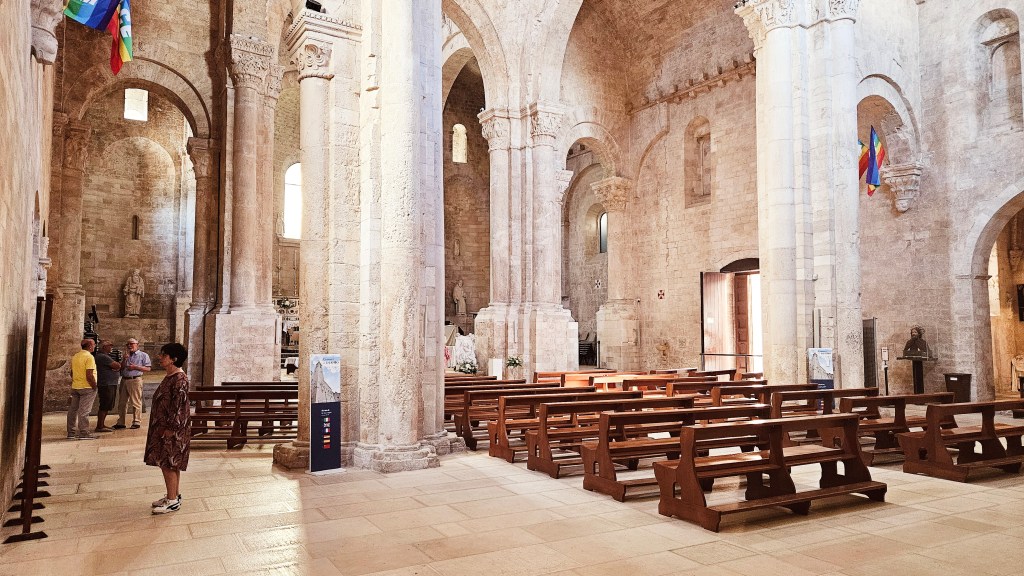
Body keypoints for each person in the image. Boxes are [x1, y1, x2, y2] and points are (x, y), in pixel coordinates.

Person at [145, 342, 190, 514]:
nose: (160, 357)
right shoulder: (171, 376)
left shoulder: (179, 379)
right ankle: (174, 496)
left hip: (172, 430)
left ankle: (171, 501)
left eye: (164, 355)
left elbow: (178, 407)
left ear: (174, 359)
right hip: (164, 428)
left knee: (168, 463)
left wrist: (170, 429)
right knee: (171, 463)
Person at [114, 337, 151, 430]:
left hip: (135, 380)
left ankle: (136, 421)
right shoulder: (125, 355)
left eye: (132, 344)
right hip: (124, 380)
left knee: (135, 402)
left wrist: (136, 367)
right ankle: (121, 422)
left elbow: (148, 368)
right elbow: (121, 368)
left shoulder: (143, 355)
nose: (129, 346)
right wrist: (124, 360)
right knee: (122, 402)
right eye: (128, 344)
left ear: (137, 345)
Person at [67, 339, 98, 440]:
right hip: (87, 387)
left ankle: (71, 432)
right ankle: (84, 433)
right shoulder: (89, 357)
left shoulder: (76, 356)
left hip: (76, 386)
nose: (95, 346)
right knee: (84, 411)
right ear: (90, 346)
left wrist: (76, 380)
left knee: (73, 410)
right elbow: (89, 374)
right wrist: (94, 386)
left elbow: (72, 373)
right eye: (94, 344)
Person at [93, 340, 121, 432]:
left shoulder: (104, 356)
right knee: (105, 405)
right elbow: (117, 366)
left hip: (109, 383)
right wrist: (117, 366)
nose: (111, 347)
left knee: (107, 405)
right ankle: (100, 426)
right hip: (106, 384)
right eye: (109, 346)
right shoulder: (103, 357)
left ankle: (102, 424)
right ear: (104, 347)